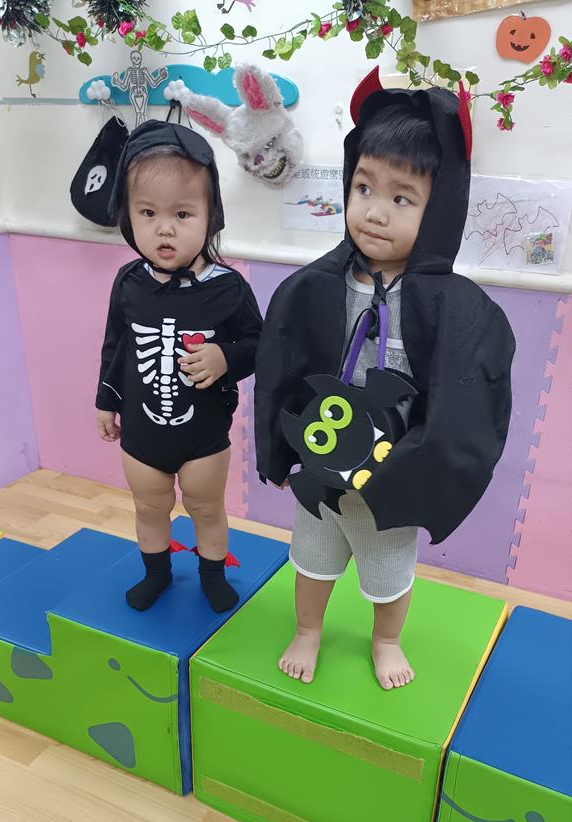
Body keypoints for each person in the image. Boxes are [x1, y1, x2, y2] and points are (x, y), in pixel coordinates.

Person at [254, 77, 515, 690]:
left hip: (390, 477)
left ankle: (386, 640)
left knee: (389, 573)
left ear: (439, 207)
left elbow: (464, 400)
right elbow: (280, 371)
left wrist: (415, 467)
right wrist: (282, 452)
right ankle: (308, 630)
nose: (375, 211)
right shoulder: (314, 287)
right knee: (312, 561)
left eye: (403, 198)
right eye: (364, 187)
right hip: (322, 465)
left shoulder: (454, 309)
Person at [95, 120, 262, 613]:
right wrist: (105, 401)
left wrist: (226, 357)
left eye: (183, 214)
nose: (164, 228)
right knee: (149, 506)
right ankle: (157, 573)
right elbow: (115, 345)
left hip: (203, 434)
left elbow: (259, 344)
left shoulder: (228, 288)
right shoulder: (128, 282)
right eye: (148, 213)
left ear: (212, 217)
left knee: (206, 506)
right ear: (128, 216)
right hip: (141, 431)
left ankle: (212, 573)